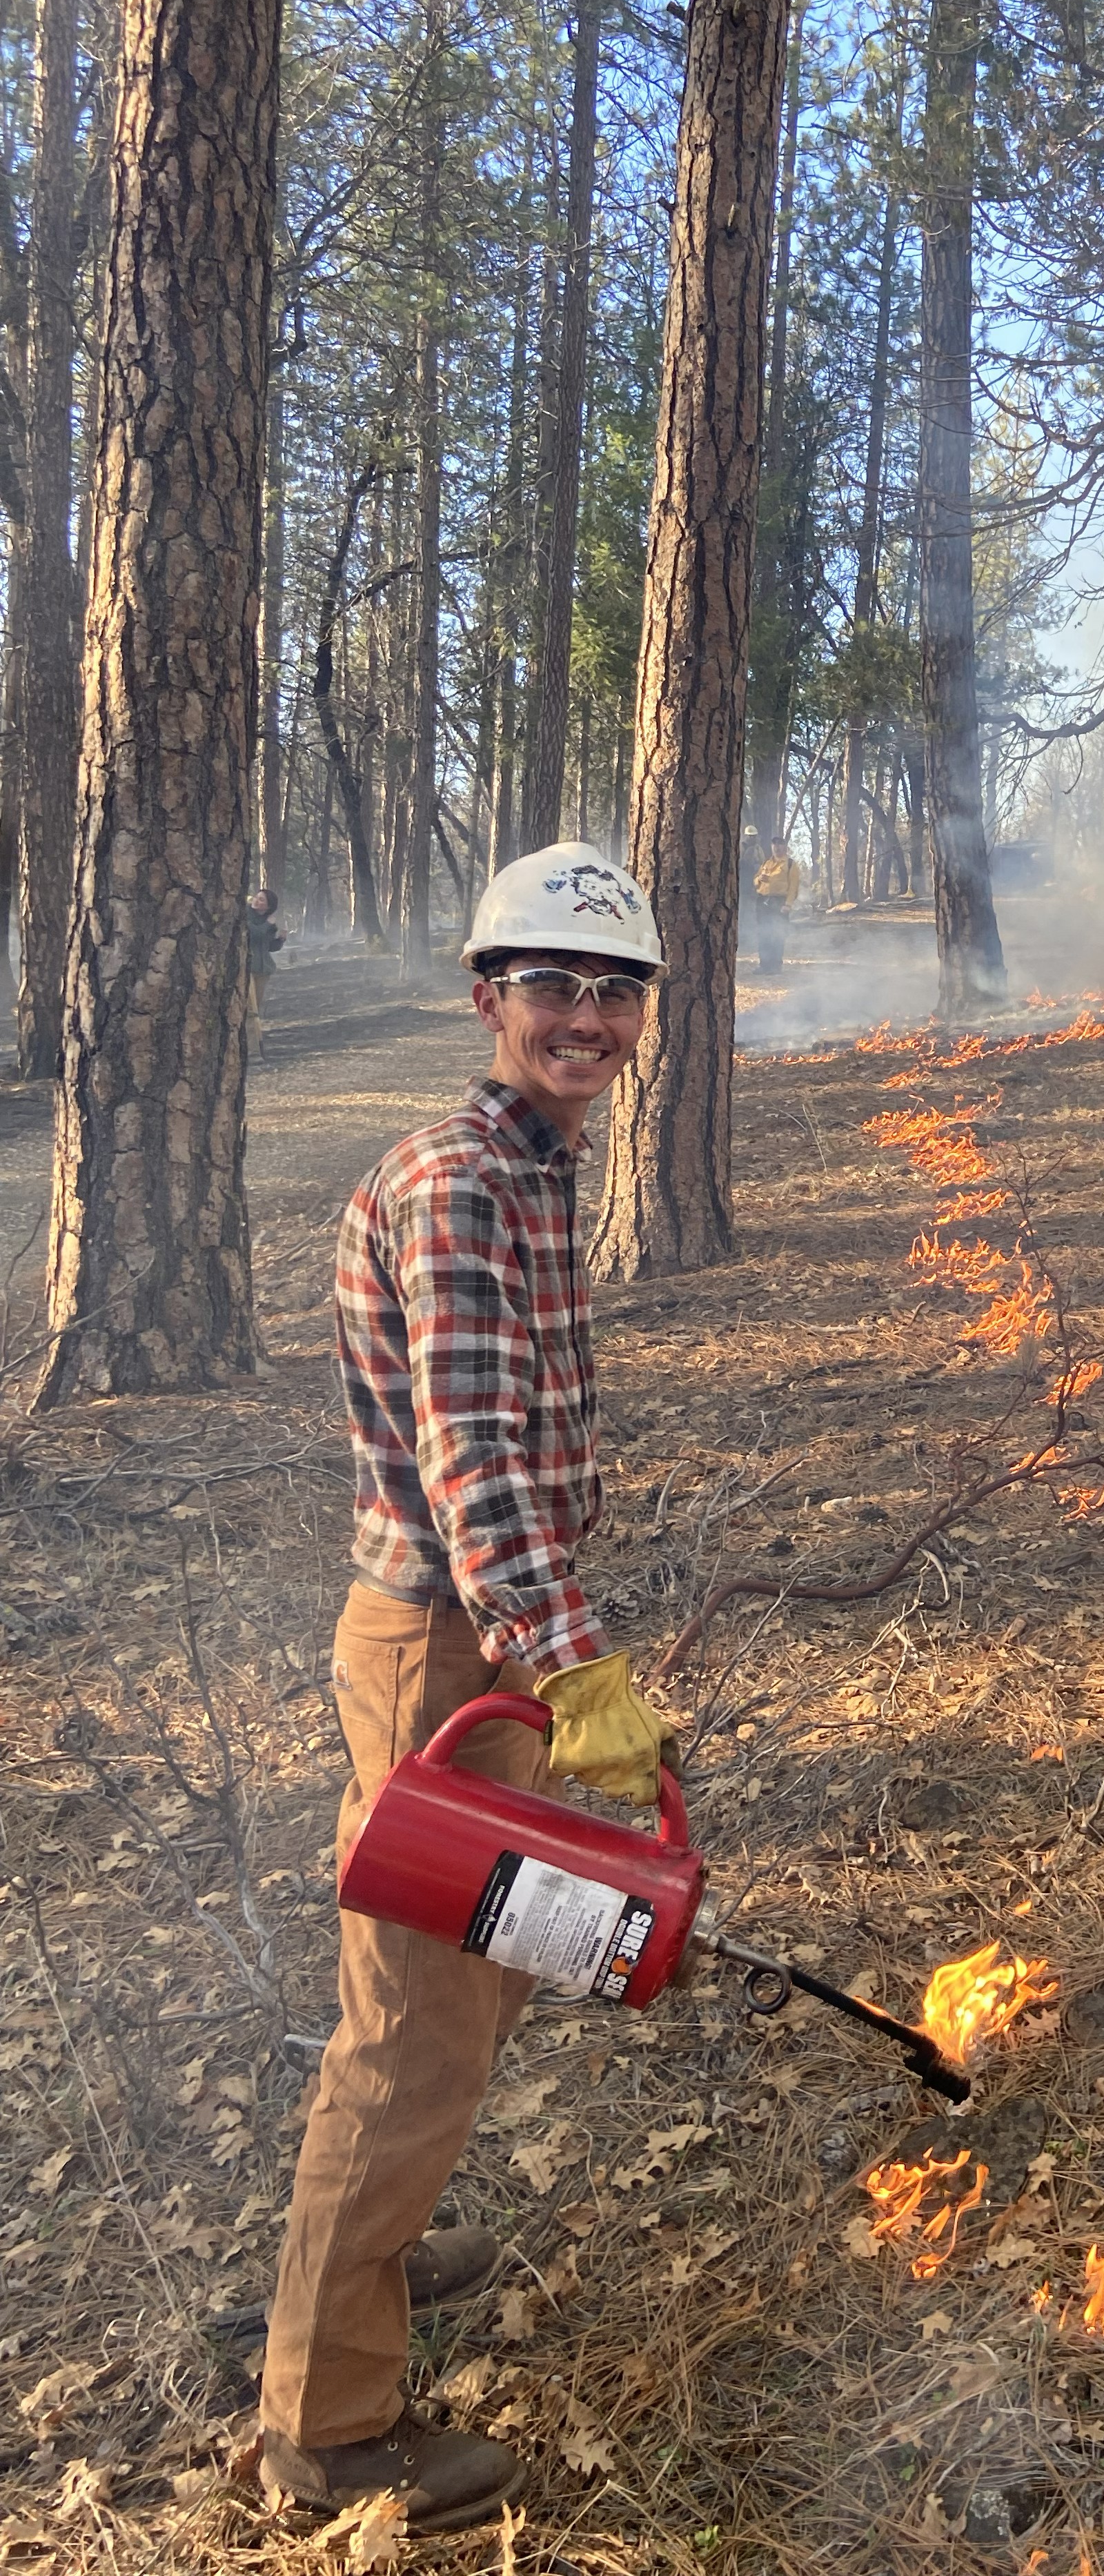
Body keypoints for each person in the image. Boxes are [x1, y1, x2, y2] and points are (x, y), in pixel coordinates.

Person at [259, 842, 674, 2531]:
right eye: (553, 987)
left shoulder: (531, 1166)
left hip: (486, 1650)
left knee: (479, 1979)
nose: (585, 1019)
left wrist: (554, 1654)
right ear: (487, 996)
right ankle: (322, 2430)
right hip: (453, 1648)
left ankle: (378, 2252)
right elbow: (477, 1475)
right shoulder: (460, 1183)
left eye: (614, 991)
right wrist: (574, 1667)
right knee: (413, 2028)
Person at [751, 834, 800, 974]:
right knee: (763, 933)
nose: (777, 847)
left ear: (785, 847)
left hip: (779, 903)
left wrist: (788, 905)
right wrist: (759, 879)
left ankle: (775, 966)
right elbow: (755, 880)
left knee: (777, 934)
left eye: (780, 844)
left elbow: (793, 887)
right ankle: (764, 965)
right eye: (774, 844)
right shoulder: (766, 863)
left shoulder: (791, 864)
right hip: (763, 901)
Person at [247, 887, 284, 1060]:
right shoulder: (246, 915)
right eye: (257, 897)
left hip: (263, 971)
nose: (257, 901)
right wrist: (268, 925)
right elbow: (253, 935)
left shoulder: (268, 922)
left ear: (268, 907)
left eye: (262, 900)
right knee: (250, 1010)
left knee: (256, 1010)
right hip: (247, 969)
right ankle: (253, 1051)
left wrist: (281, 940)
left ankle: (253, 1047)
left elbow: (269, 947)